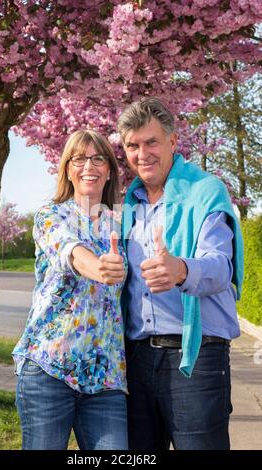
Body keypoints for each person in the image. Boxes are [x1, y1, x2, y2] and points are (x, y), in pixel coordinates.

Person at [117, 97, 243, 450]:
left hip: (196, 358)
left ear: (173, 142)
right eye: (132, 145)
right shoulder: (128, 203)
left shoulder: (206, 191)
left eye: (151, 142)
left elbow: (221, 266)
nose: (142, 154)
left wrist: (181, 269)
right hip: (137, 358)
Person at [12, 129, 128, 450]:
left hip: (105, 378)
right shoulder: (51, 215)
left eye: (97, 158)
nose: (88, 165)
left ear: (108, 170)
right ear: (67, 169)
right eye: (79, 158)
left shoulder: (122, 224)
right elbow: (71, 250)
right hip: (49, 369)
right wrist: (100, 268)